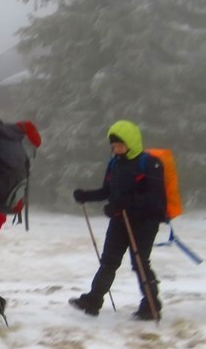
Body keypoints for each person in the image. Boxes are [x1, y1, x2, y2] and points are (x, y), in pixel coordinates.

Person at [70, 121, 166, 320]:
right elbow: (108, 191)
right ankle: (93, 300)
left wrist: (125, 203)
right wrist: (86, 195)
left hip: (144, 223)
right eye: (113, 145)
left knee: (139, 262)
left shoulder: (150, 163)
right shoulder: (114, 163)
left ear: (131, 142)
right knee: (109, 261)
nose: (116, 149)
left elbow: (156, 198)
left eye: (120, 145)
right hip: (119, 220)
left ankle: (151, 304)